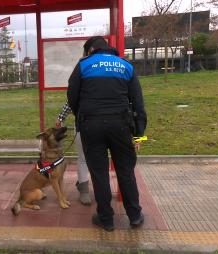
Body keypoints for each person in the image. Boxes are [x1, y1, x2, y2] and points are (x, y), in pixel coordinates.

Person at [67, 36, 147, 231]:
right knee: (126, 170)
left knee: (99, 172)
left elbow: (72, 96)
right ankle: (135, 215)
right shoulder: (125, 66)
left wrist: (83, 117)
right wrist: (139, 134)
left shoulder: (84, 65)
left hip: (91, 125)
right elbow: (138, 103)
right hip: (120, 125)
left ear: (90, 50)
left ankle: (106, 219)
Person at [55, 103, 91, 206]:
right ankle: (84, 189)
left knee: (99, 159)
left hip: (104, 125)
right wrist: (60, 117)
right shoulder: (80, 87)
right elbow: (71, 101)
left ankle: (100, 188)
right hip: (82, 125)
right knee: (83, 158)